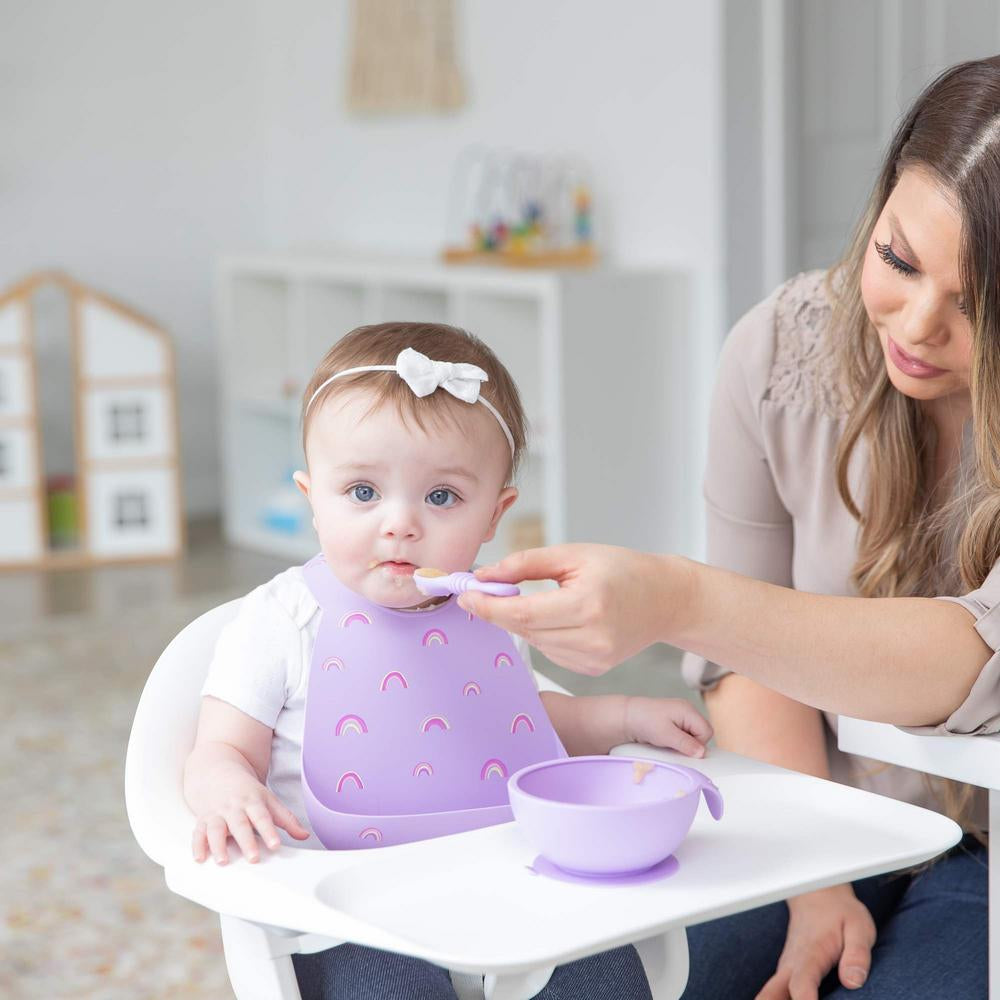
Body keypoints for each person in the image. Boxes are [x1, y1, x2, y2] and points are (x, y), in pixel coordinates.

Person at [457, 57, 1000, 999]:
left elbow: (972, 659)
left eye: (980, 307)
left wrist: (677, 597)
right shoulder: (781, 347)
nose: (915, 324)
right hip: (825, 807)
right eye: (899, 260)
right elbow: (744, 666)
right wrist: (815, 881)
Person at [182, 322, 713, 1000]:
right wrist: (227, 788)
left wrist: (624, 716)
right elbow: (217, 749)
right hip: (345, 906)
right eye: (363, 493)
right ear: (312, 498)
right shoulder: (282, 620)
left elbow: (515, 725)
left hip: (504, 879)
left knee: (606, 977)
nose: (400, 523)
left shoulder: (491, 610)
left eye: (441, 497)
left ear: (496, 514)